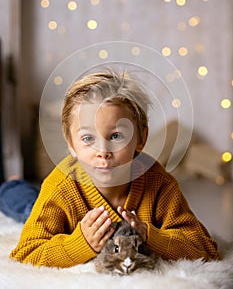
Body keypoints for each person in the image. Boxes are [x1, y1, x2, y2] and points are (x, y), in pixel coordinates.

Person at [3, 70, 219, 267]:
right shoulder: (61, 186)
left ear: (141, 139)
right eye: (88, 138)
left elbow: (204, 248)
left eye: (116, 136)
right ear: (71, 144)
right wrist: (80, 242)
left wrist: (150, 235)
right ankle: (13, 184)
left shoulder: (158, 182)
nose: (103, 151)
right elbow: (26, 252)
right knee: (27, 208)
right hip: (65, 219)